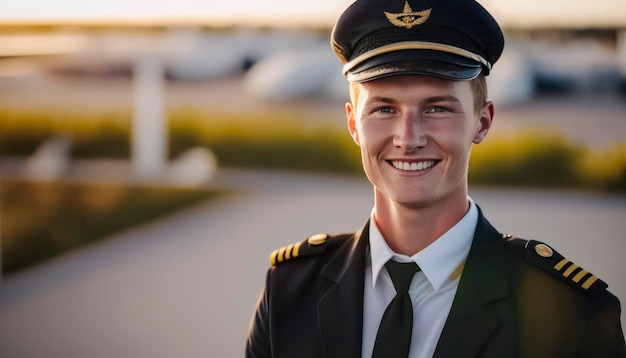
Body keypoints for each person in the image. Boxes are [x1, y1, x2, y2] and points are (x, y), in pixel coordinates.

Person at [245, 0, 626, 356]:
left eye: (438, 108)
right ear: (352, 124)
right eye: (384, 109)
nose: (408, 138)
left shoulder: (572, 313)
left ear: (483, 121)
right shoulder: (289, 292)